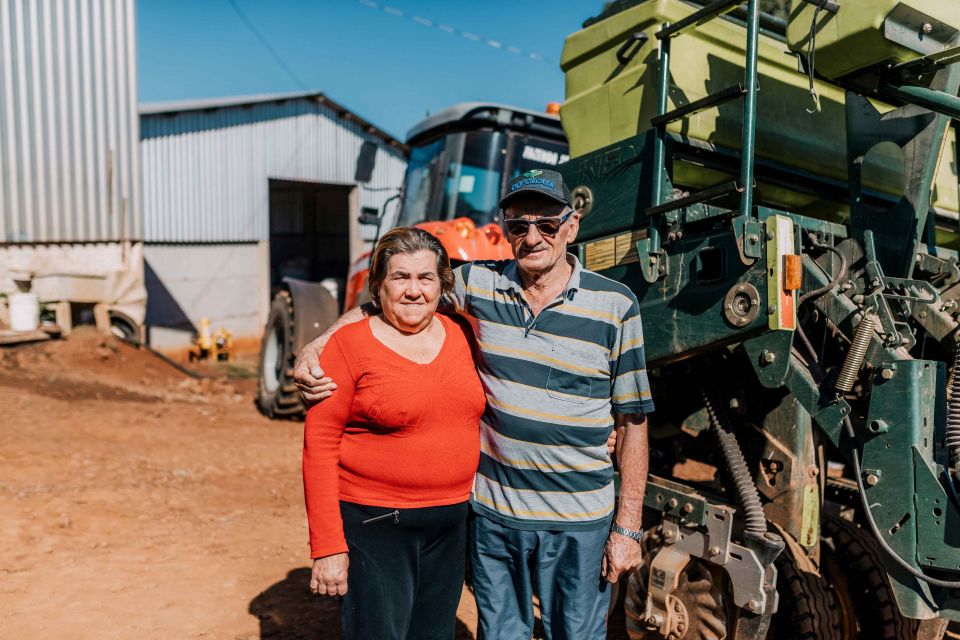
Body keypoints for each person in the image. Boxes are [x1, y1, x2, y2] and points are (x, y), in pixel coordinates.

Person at [298, 168, 654, 639]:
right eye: (518, 225)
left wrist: (627, 529)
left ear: (571, 226)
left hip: (578, 522)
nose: (533, 237)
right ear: (505, 230)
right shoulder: (476, 287)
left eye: (547, 224)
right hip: (495, 516)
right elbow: (399, 297)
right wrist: (318, 344)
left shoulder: (616, 306)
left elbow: (632, 422)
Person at [302, 227, 486, 639]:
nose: (413, 290)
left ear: (443, 285)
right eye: (400, 277)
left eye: (426, 278)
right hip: (376, 524)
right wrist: (328, 546)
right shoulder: (348, 346)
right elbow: (319, 446)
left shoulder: (463, 334)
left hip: (452, 522)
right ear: (378, 287)